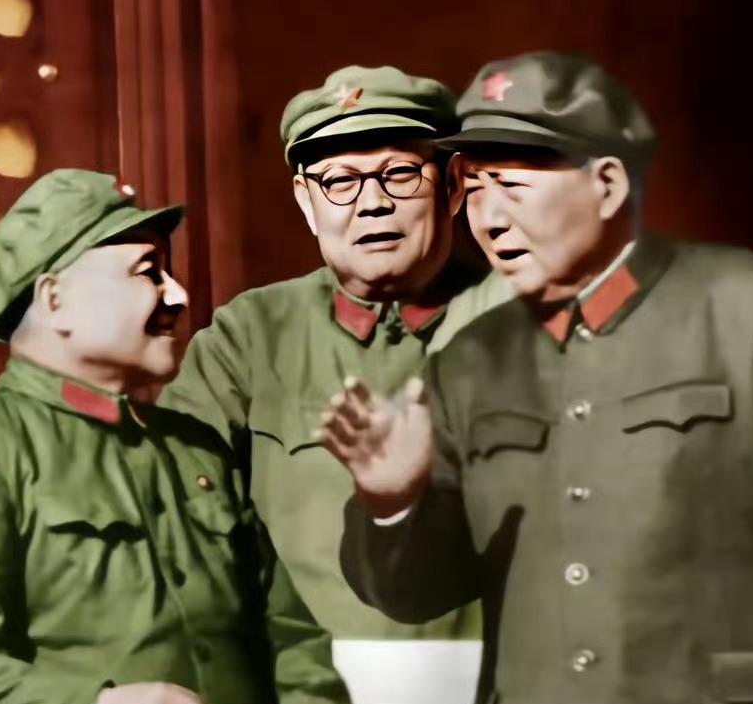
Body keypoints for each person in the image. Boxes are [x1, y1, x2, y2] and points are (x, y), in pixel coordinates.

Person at [325, 52, 753, 704]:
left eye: (512, 187)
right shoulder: (470, 360)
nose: (488, 218)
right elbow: (417, 594)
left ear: (607, 185)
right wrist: (392, 503)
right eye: (474, 187)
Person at [0, 169, 368, 704]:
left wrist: (314, 699)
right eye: (148, 272)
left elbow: (284, 624)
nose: (177, 295)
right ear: (55, 300)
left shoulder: (195, 450)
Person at [159, 66, 511, 639]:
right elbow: (173, 520)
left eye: (399, 174)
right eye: (340, 182)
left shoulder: (519, 320)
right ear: (306, 201)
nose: (371, 204)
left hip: (492, 684)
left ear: (453, 185)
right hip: (303, 684)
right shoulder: (249, 337)